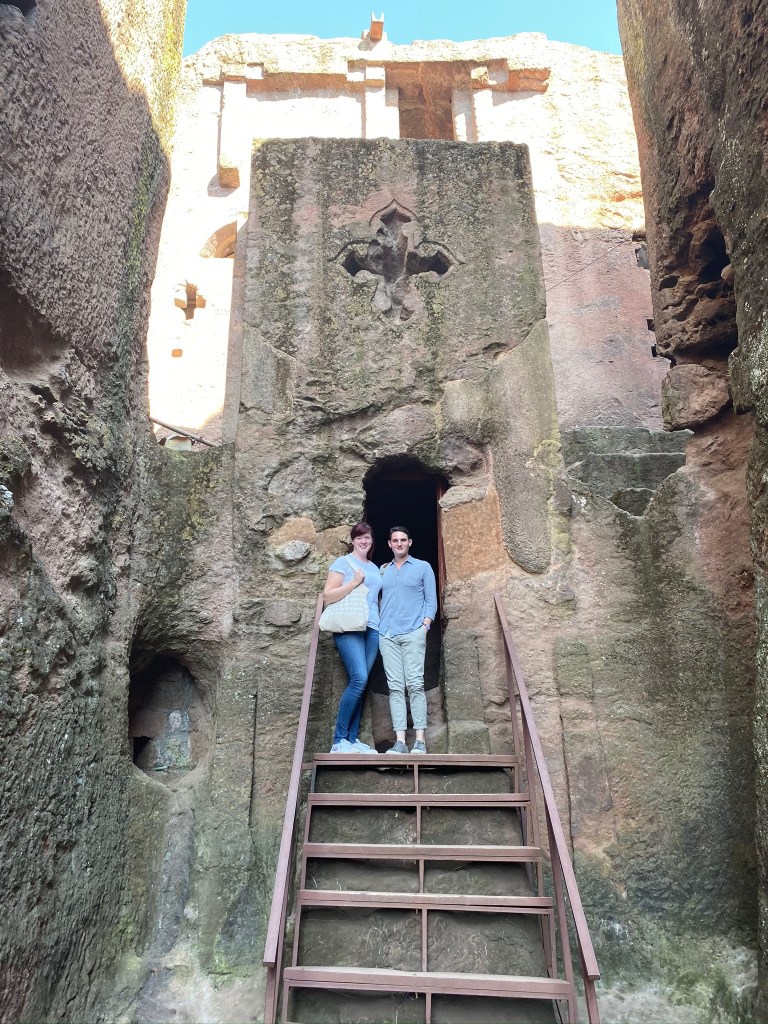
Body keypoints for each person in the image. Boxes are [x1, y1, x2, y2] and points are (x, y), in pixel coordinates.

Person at [323, 522, 382, 754]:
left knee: (363, 682)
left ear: (372, 540)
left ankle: (353, 739)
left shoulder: (376, 568)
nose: (363, 541)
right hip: (349, 627)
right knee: (358, 678)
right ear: (352, 540)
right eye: (359, 537)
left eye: (367, 537)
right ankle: (339, 741)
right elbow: (328, 596)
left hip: (372, 628)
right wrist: (354, 583)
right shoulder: (343, 563)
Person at [379, 526, 438, 754]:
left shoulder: (423, 567)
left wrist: (424, 626)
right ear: (389, 544)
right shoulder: (383, 570)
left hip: (413, 632)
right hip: (388, 634)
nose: (399, 543)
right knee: (395, 688)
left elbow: (430, 600)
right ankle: (400, 741)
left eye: (403, 540)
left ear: (410, 543)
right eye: (395, 540)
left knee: (415, 684)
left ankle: (420, 741)